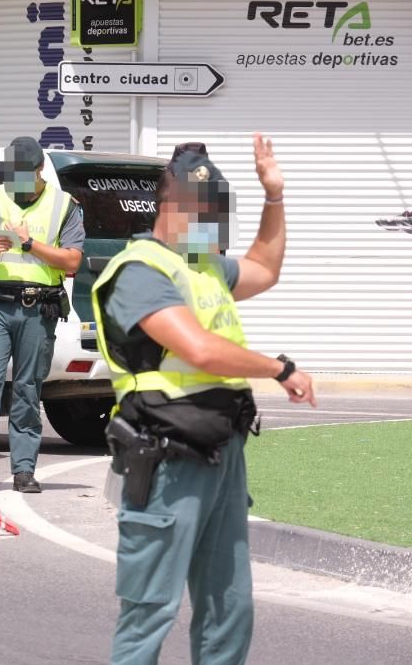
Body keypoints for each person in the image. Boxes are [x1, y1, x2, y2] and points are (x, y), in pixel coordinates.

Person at [91, 135, 316, 664]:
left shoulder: (203, 263)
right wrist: (278, 368)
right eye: (206, 211)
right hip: (167, 457)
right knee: (150, 610)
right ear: (171, 207)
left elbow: (265, 266)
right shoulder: (141, 269)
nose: (215, 225)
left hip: (221, 450)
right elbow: (197, 347)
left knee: (229, 607)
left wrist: (274, 197)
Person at [0, 136, 85, 494]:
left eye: (23, 173)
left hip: (39, 308)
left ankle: (24, 469)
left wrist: (29, 244)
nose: (15, 181)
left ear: (40, 171)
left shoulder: (64, 205)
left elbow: (72, 260)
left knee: (27, 389)